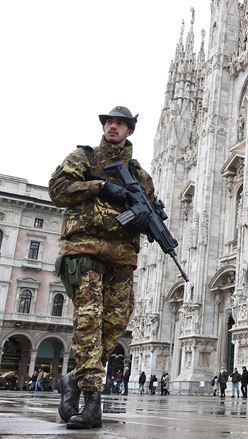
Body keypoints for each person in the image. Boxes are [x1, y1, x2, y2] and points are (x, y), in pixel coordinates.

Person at [49, 106, 155, 429]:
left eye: (120, 124)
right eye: (109, 122)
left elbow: (149, 216)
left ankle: (73, 378)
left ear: (129, 131)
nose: (113, 127)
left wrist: (144, 217)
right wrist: (99, 187)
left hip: (121, 257)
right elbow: (57, 189)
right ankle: (93, 400)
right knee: (89, 320)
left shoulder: (139, 175)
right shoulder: (85, 158)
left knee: (115, 323)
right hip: (85, 251)